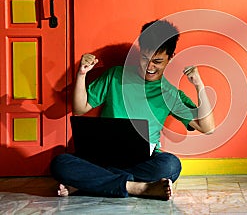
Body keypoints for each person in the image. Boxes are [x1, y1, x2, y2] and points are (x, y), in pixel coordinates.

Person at [50, 20, 215, 200]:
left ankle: (90, 184)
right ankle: (137, 188)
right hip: (102, 157)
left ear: (171, 57)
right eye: (145, 59)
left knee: (170, 166)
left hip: (140, 162)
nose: (149, 67)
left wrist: (199, 85)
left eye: (157, 61)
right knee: (60, 163)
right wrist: (82, 74)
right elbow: (80, 109)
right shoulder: (115, 75)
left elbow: (207, 127)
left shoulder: (170, 94)